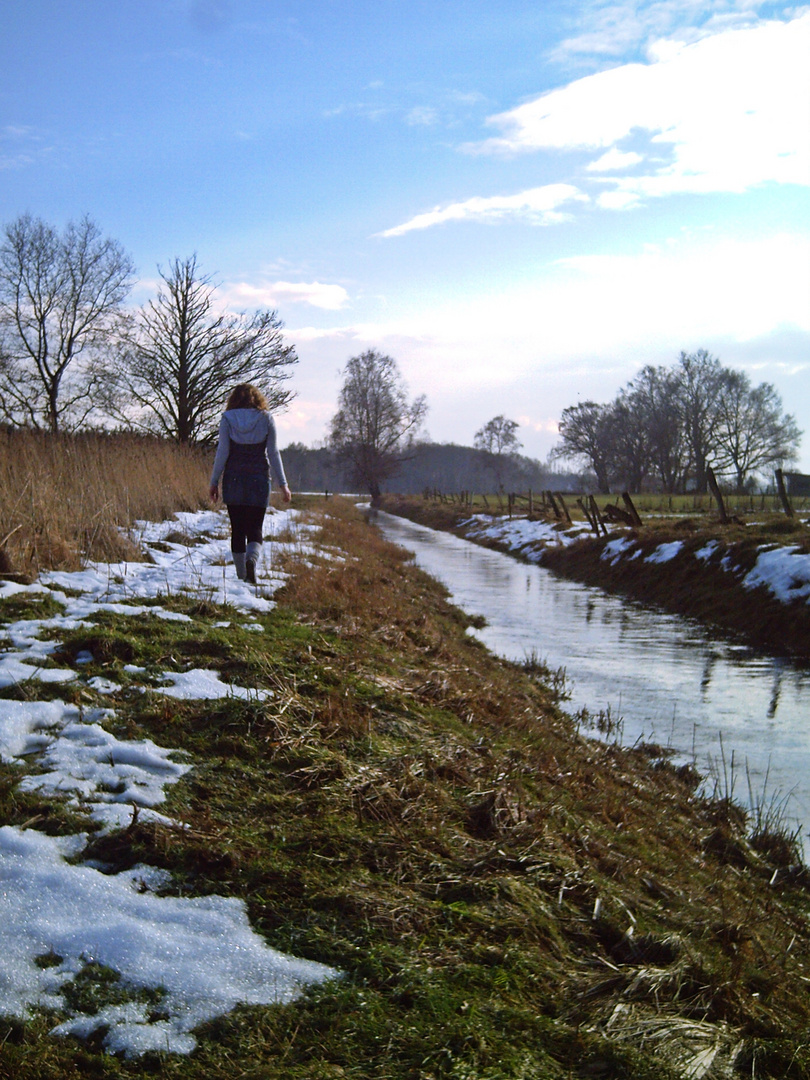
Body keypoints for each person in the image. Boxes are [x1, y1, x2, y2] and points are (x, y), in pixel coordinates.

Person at [209, 383, 292, 583]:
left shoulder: (227, 419)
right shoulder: (266, 418)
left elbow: (223, 452)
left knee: (237, 529)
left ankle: (242, 577)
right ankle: (252, 561)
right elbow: (273, 453)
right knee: (255, 527)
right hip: (259, 478)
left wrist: (214, 481)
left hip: (233, 478)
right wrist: (283, 484)